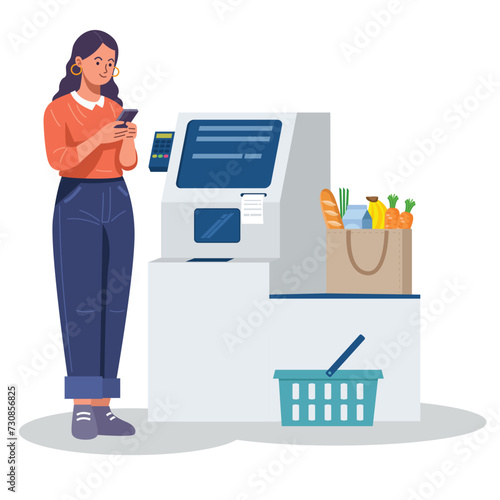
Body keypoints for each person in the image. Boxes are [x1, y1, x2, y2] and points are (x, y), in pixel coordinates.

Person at [43, 30, 137, 439]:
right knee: (82, 304)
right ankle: (82, 406)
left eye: (111, 62)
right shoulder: (58, 110)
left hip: (117, 198)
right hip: (77, 201)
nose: (105, 68)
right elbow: (58, 159)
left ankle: (104, 406)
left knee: (114, 303)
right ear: (77, 62)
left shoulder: (115, 108)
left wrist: (128, 140)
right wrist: (99, 137)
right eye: (98, 60)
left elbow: (128, 164)